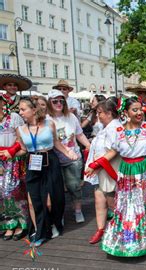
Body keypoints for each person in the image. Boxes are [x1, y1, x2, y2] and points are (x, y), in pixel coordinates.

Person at [85, 97, 146, 257]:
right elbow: (113, 152)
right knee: (127, 207)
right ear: (126, 113)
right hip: (127, 174)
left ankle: (143, 240)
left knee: (144, 206)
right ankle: (127, 241)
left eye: (140, 109)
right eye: (134, 110)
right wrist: (95, 164)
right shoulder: (119, 132)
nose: (139, 113)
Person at [16, 98, 77, 247]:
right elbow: (23, 149)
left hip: (50, 160)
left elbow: (56, 142)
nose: (20, 112)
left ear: (34, 110)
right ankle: (38, 231)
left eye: (23, 109)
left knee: (52, 199)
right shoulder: (20, 129)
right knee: (33, 200)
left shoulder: (50, 124)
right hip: (32, 162)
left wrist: (68, 152)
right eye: (20, 109)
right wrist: (9, 154)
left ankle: (54, 223)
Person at [46, 89, 90, 223]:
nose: (59, 103)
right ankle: (60, 215)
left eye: (61, 101)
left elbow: (79, 134)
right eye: (55, 101)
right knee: (57, 190)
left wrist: (89, 146)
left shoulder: (71, 117)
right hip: (55, 159)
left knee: (74, 186)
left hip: (73, 158)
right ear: (49, 103)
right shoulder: (47, 119)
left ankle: (77, 210)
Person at [84, 98, 122, 244]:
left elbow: (115, 150)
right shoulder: (106, 128)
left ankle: (120, 229)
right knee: (99, 200)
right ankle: (101, 229)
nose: (98, 115)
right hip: (102, 170)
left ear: (109, 113)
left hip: (109, 170)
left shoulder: (114, 128)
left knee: (112, 202)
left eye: (100, 113)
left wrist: (96, 165)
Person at [0, 94, 28, 241]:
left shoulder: (13, 117)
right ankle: (7, 224)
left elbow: (22, 139)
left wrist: (11, 151)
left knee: (11, 191)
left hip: (12, 159)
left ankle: (20, 223)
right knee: (0, 193)